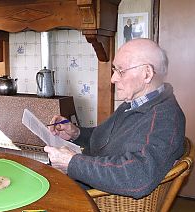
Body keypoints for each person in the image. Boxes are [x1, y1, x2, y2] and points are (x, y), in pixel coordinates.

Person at [44, 38, 186, 199]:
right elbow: (106, 137)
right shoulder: (135, 103)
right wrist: (76, 133)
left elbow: (138, 176)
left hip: (96, 198)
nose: (113, 79)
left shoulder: (164, 118)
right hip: (87, 181)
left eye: (121, 71)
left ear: (147, 74)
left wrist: (72, 163)